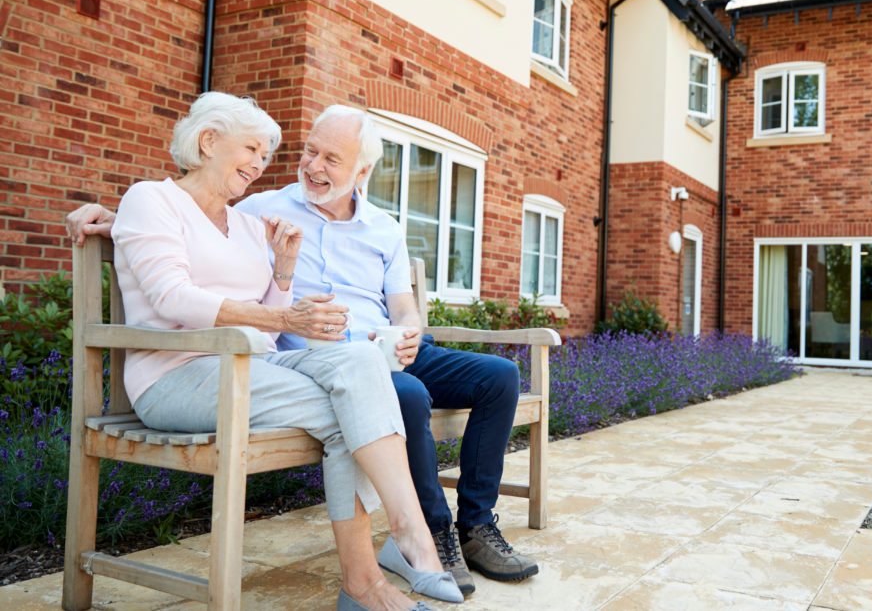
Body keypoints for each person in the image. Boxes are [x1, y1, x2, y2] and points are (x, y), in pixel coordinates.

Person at [67, 106, 539, 595]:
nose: (307, 165)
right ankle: (416, 540)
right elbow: (176, 250)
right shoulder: (243, 206)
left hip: (337, 353)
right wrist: (117, 218)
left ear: (361, 172)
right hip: (211, 367)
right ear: (208, 141)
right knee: (387, 399)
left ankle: (447, 536)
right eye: (304, 151)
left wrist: (298, 280)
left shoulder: (277, 223)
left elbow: (300, 308)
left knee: (491, 376)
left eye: (329, 158)